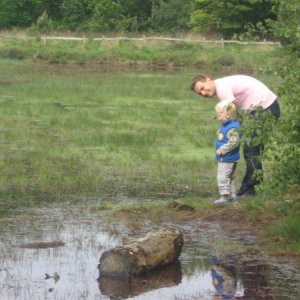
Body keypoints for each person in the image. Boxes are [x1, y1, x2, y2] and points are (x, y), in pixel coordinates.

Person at [190, 74, 280, 197]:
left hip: (265, 109)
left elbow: (229, 109)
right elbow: (238, 113)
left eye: (202, 88)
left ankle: (250, 190)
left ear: (208, 79)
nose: (204, 93)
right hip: (263, 109)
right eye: (200, 93)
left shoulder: (221, 88)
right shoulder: (223, 84)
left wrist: (226, 132)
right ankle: (246, 190)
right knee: (251, 149)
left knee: (252, 149)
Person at [214, 102, 241, 204]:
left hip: (227, 157)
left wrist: (222, 149)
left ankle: (223, 197)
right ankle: (232, 195)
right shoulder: (227, 125)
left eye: (220, 115)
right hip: (229, 157)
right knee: (230, 177)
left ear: (228, 115)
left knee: (222, 176)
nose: (218, 118)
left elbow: (234, 142)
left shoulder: (232, 128)